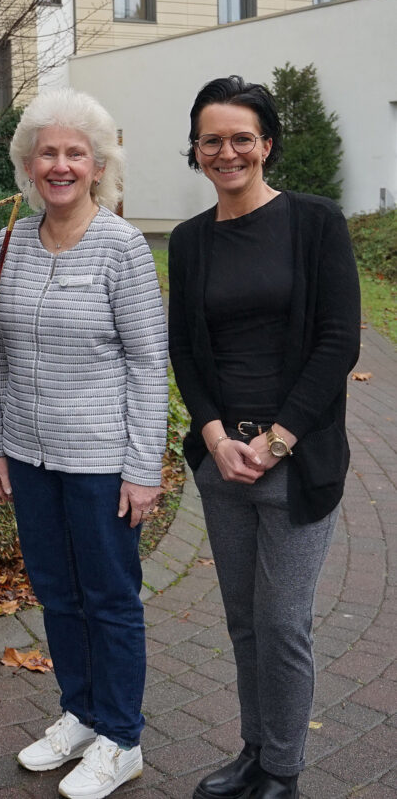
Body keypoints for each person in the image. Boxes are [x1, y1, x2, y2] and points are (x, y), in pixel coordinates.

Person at [168, 76, 360, 799]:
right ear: (197, 148)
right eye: (212, 139)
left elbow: (340, 340)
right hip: (224, 460)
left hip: (295, 457)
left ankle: (284, 769)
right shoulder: (189, 241)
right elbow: (186, 349)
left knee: (283, 624)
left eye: (241, 137)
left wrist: (275, 440)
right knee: (244, 620)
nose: (227, 151)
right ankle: (255, 750)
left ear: (266, 143)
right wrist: (216, 438)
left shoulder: (314, 222)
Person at [0, 87, 167, 798]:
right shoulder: (11, 243)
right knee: (58, 593)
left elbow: (150, 361)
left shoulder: (122, 248)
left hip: (100, 462)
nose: (59, 165)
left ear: (97, 165)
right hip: (30, 456)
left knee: (110, 598)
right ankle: (82, 713)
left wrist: (142, 468)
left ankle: (122, 737)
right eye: (46, 153)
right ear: (28, 165)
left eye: (74, 153)